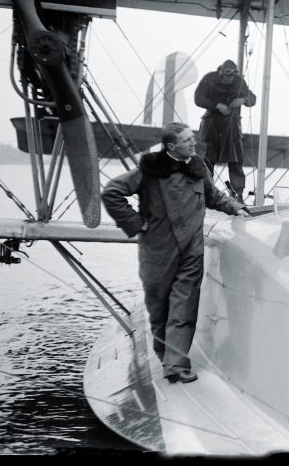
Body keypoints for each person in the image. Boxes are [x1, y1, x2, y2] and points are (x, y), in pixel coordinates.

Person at [101, 122, 249, 384]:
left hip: (191, 248)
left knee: (184, 306)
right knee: (159, 309)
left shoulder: (197, 167)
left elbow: (213, 197)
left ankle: (175, 365)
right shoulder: (150, 170)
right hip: (158, 250)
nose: (193, 143)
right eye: (187, 140)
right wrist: (136, 223)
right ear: (171, 146)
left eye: (193, 138)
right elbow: (112, 193)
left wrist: (235, 207)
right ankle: (164, 353)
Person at [194, 59, 257, 203]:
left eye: (232, 77)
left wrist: (242, 99)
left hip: (232, 125)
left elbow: (253, 99)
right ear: (221, 74)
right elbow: (198, 98)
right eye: (227, 76)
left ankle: (238, 195)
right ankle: (206, 194)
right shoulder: (209, 79)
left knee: (236, 160)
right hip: (211, 123)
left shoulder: (239, 82)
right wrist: (217, 105)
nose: (230, 79)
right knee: (206, 159)